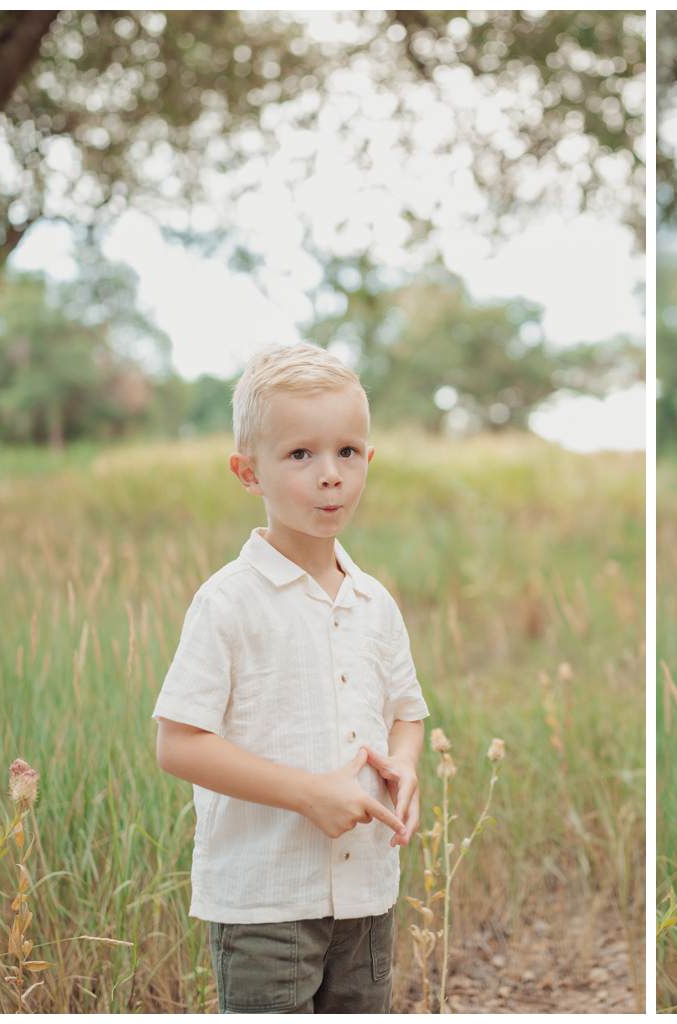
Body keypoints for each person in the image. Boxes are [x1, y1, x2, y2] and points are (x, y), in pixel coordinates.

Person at [153, 343, 431, 1013]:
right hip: (264, 904)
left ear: (369, 460)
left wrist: (404, 764)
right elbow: (178, 743)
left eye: (348, 452)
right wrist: (308, 793)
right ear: (248, 472)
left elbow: (407, 711)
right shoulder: (228, 602)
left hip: (367, 892)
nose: (329, 475)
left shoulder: (374, 602)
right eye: (300, 455)